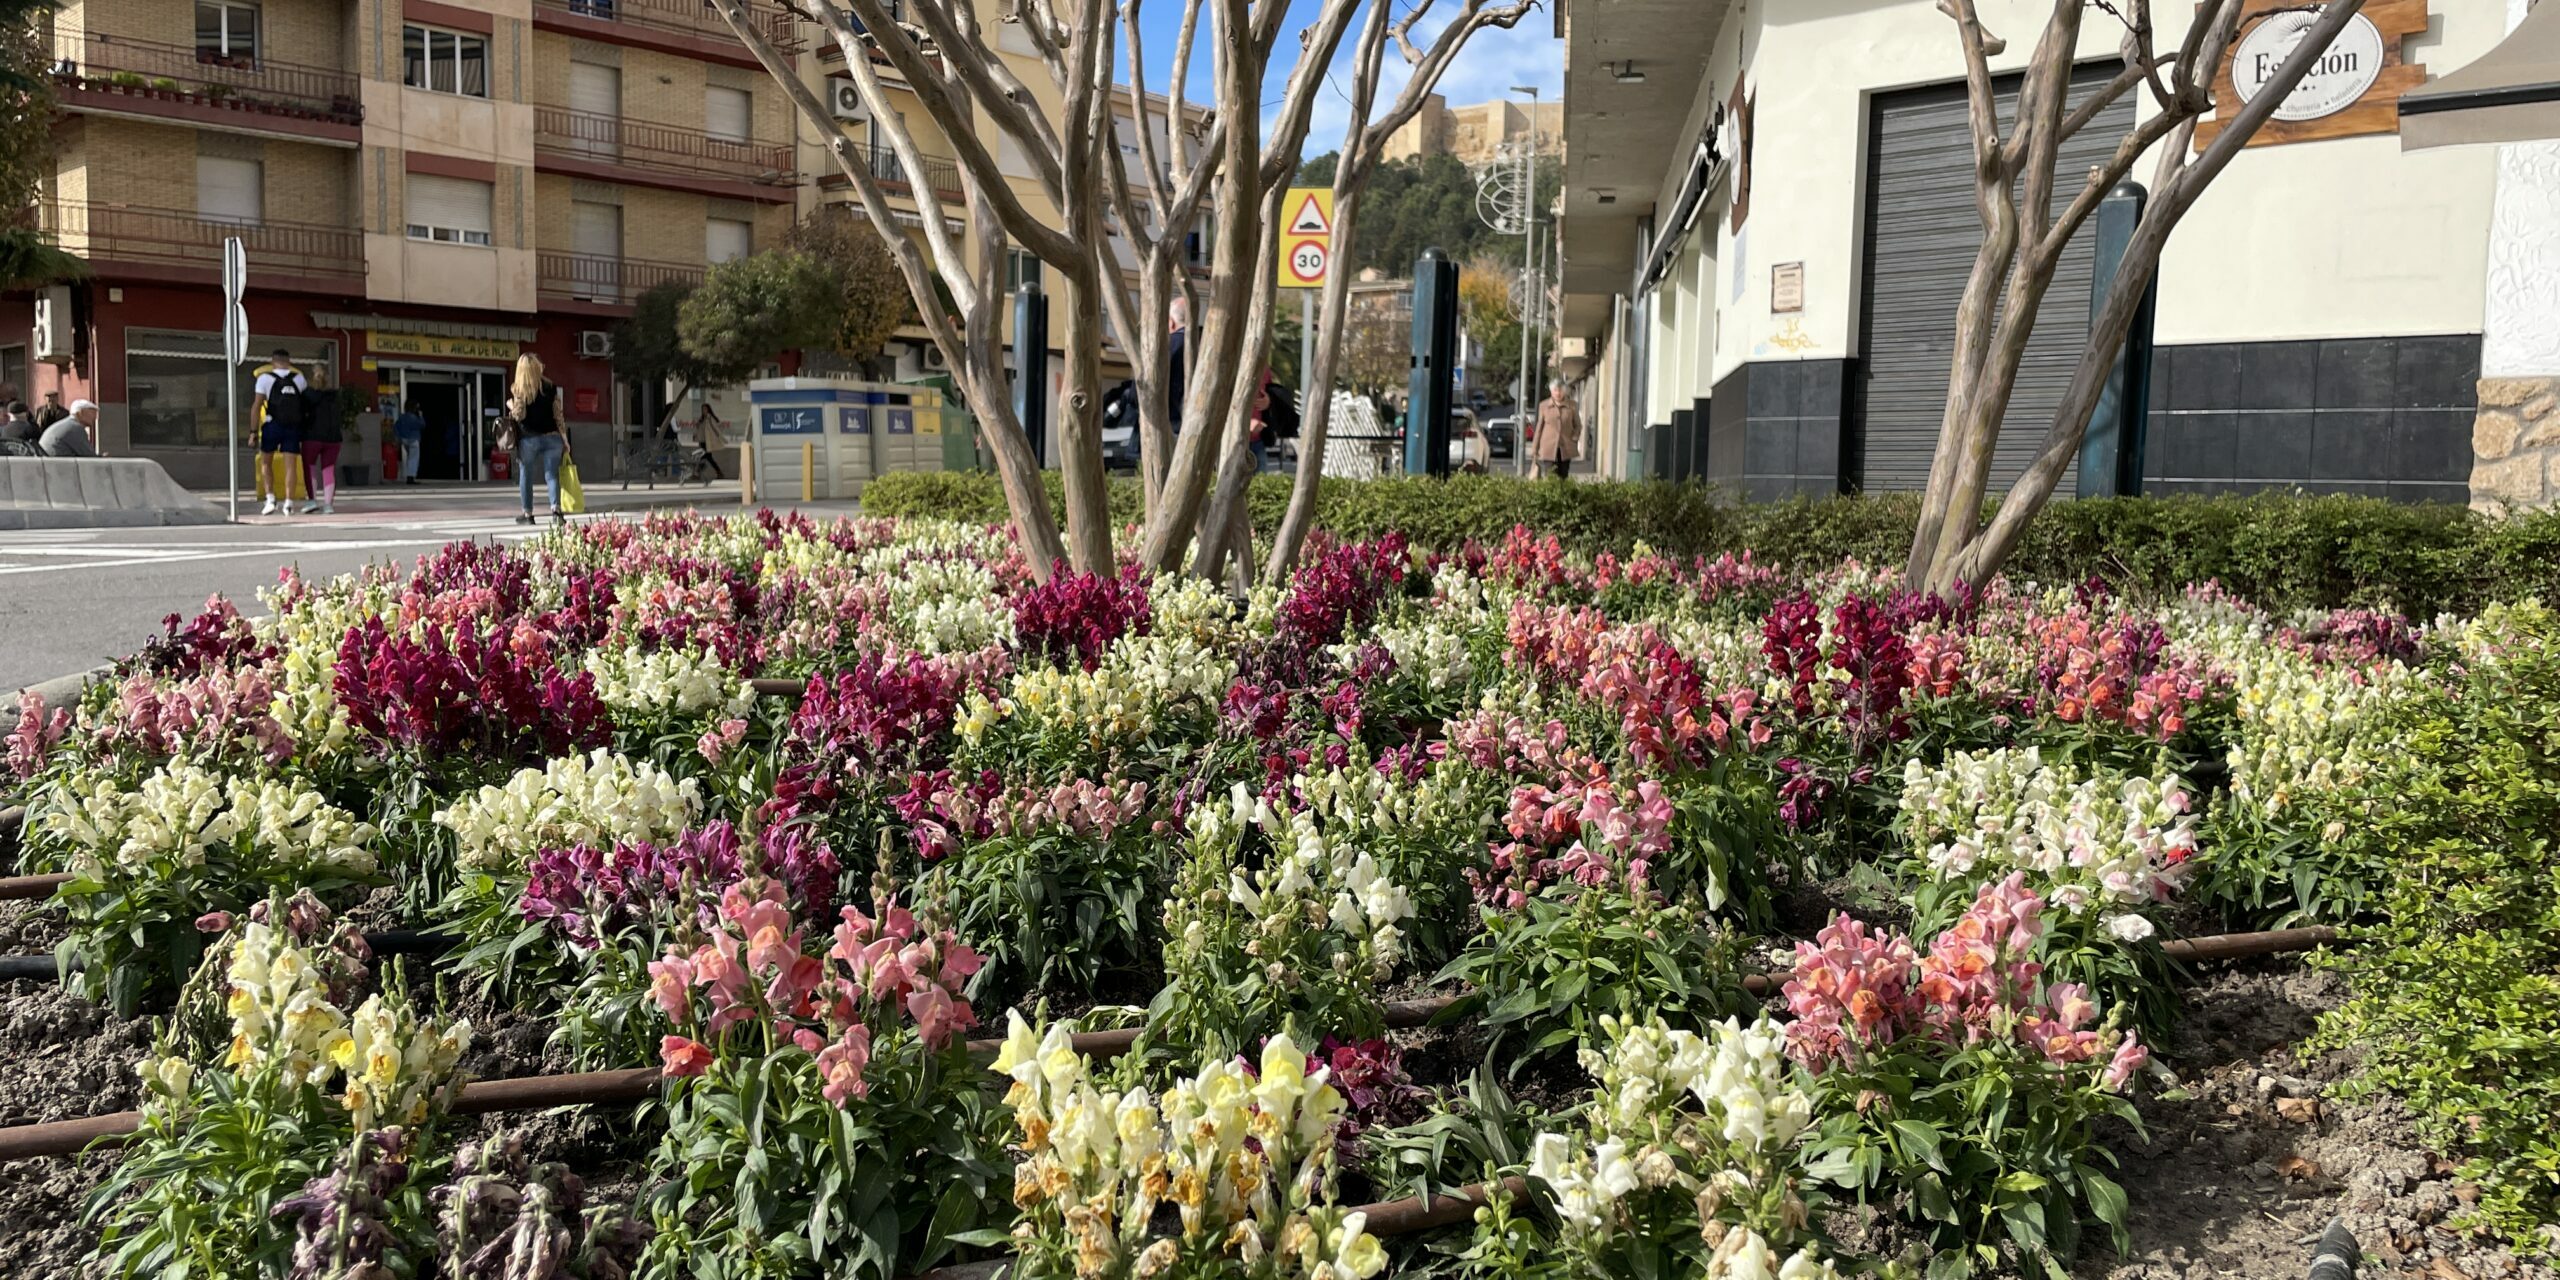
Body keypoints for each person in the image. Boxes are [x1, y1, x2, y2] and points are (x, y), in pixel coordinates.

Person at [506, 353, 565, 525]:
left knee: (526, 476)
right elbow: (558, 415)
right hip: (552, 437)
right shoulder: (550, 387)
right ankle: (556, 511)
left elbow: (519, 414)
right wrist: (565, 439)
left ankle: (528, 515)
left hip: (529, 439)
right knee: (552, 476)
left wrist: (510, 405)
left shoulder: (519, 389)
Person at [251, 350, 311, 516]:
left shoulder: (264, 378)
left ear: (273, 362)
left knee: (265, 462)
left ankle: (270, 499)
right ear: (289, 361)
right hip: (293, 427)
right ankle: (289, 503)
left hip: (272, 425)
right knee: (290, 466)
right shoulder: (299, 378)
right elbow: (306, 405)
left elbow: (256, 406)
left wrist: (253, 431)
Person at [298, 368, 344, 515]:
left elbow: (301, 413)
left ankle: (312, 500)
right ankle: (328, 505)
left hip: (312, 437)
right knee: (328, 470)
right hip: (333, 438)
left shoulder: (307, 395)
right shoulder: (336, 396)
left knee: (309, 468)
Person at [1533, 380, 1582, 480]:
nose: (1558, 393)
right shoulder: (1544, 406)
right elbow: (1539, 428)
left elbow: (1578, 425)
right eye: (1555, 390)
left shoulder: (1572, 405)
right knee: (1551, 475)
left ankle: (1562, 495)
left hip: (1566, 447)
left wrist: (1575, 437)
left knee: (1563, 475)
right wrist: (1535, 448)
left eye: (1560, 390)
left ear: (1564, 391)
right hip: (1548, 447)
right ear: (1551, 391)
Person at [393, 400, 426, 484]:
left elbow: (396, 427)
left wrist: (398, 437)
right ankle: (410, 477)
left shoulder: (402, 417)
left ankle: (409, 475)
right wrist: (421, 416)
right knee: (413, 458)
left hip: (404, 439)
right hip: (414, 439)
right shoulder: (414, 418)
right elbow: (422, 425)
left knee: (410, 457)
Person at [693, 403, 727, 479]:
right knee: (707, 457)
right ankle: (718, 472)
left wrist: (719, 436)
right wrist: (695, 434)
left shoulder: (710, 418)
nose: (704, 411)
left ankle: (697, 473)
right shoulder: (701, 419)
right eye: (702, 409)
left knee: (705, 457)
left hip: (707, 442)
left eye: (705, 409)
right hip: (702, 441)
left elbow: (716, 427)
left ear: (708, 409)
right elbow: (699, 429)